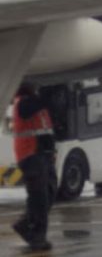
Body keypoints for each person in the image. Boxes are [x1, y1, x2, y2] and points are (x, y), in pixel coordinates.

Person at [10, 82, 53, 252]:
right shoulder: (23, 103)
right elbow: (40, 104)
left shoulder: (35, 103)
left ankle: (27, 225)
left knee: (48, 193)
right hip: (30, 156)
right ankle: (36, 236)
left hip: (40, 156)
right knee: (39, 198)